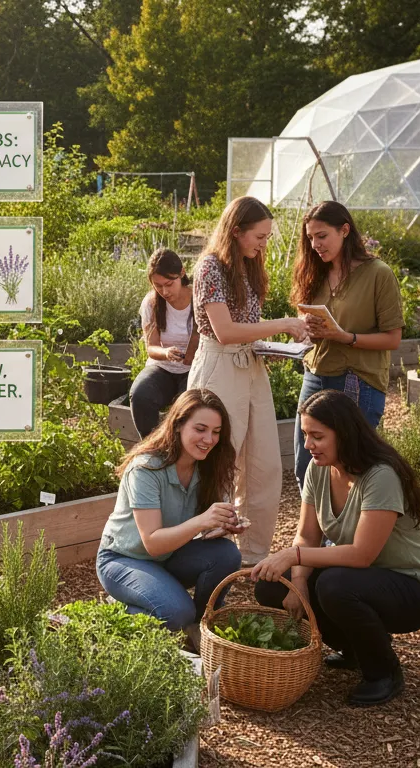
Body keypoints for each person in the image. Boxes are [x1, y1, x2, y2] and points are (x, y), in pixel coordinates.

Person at [252, 390, 420, 707]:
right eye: (305, 435)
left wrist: (293, 555)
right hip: (360, 579)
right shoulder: (318, 468)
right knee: (272, 584)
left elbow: (360, 555)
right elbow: (307, 535)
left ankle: (384, 672)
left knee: (334, 585)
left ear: (345, 434)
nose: (308, 445)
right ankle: (357, 649)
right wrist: (297, 581)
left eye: (318, 436)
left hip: (411, 589)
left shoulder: (380, 476)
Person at [189, 196, 308, 565]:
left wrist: (277, 347)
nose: (264, 243)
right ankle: (211, 548)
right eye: (259, 235)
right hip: (219, 368)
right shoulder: (210, 268)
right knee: (219, 459)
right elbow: (224, 332)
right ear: (236, 231)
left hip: (250, 366)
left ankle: (253, 554)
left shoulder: (247, 267)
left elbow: (246, 332)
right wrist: (284, 324)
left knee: (264, 464)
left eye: (268, 237)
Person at [96, 389, 244, 644]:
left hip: (169, 554)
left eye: (216, 432)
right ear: (177, 425)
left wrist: (222, 525)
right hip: (123, 559)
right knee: (176, 613)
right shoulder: (146, 468)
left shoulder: (208, 465)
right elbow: (152, 542)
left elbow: (195, 528)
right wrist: (202, 520)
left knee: (227, 554)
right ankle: (116, 610)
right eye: (200, 429)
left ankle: (199, 626)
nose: (209, 439)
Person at [290, 201, 403, 489]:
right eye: (310, 237)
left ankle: (345, 535)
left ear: (344, 230)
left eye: (322, 236)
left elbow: (393, 338)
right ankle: (312, 534)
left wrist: (346, 337)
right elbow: (315, 335)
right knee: (306, 469)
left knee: (350, 471)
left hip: (358, 381)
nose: (315, 244)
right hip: (315, 376)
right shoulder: (315, 273)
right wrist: (307, 331)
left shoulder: (378, 273)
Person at [129, 248, 199, 439]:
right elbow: (151, 348)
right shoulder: (151, 302)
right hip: (162, 366)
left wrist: (190, 356)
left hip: (193, 367)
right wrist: (167, 352)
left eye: (169, 284)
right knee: (140, 394)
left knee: (187, 406)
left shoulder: (198, 298)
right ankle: (151, 447)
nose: (164, 291)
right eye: (158, 286)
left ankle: (182, 453)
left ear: (182, 273)